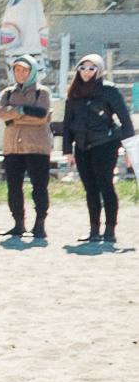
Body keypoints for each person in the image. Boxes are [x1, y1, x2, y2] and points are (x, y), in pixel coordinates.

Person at [63, 54, 133, 244]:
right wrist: (68, 150)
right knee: (90, 189)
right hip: (82, 147)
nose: (86, 72)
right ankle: (94, 229)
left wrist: (129, 148)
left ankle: (110, 230)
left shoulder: (109, 90)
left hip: (105, 144)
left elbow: (125, 120)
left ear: (99, 70)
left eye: (91, 68)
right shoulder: (74, 92)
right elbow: (68, 122)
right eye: (83, 68)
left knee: (105, 185)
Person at [0, 55, 52, 242]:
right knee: (13, 187)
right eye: (17, 70)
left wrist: (14, 116)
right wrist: (24, 110)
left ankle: (40, 224)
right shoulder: (7, 93)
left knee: (39, 186)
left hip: (37, 147)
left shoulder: (41, 93)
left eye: (25, 70)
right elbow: (0, 112)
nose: (20, 74)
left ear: (32, 72)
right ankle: (18, 223)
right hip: (12, 147)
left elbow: (41, 117)